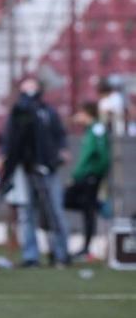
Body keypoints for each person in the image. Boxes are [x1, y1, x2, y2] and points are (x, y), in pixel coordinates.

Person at [0, 77, 71, 267]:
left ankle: (61, 254)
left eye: (33, 85)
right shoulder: (18, 111)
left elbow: (59, 134)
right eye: (26, 86)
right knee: (27, 213)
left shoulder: (48, 112)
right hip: (25, 168)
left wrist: (62, 150)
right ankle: (31, 256)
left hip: (47, 167)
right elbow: (11, 137)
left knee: (55, 211)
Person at [65, 102, 110, 260]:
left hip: (90, 176)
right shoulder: (90, 129)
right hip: (85, 175)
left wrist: (94, 173)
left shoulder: (97, 129)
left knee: (76, 204)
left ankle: (86, 248)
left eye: (80, 113)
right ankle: (97, 205)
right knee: (84, 207)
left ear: (86, 113)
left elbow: (100, 155)